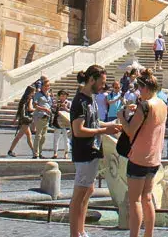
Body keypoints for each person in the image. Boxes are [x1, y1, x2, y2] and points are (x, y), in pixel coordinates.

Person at [70, 65, 121, 237]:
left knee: (88, 191)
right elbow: (78, 130)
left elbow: (95, 123)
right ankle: (74, 234)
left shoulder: (91, 99)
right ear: (91, 80)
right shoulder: (80, 102)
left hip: (93, 151)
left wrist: (113, 125)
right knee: (79, 196)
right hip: (84, 152)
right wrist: (103, 131)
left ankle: (81, 230)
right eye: (101, 82)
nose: (103, 87)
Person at [7, 86, 36, 157]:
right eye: (33, 92)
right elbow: (30, 108)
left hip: (23, 119)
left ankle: (34, 152)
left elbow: (19, 111)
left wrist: (15, 118)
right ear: (31, 92)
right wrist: (37, 109)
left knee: (28, 136)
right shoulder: (29, 99)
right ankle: (10, 151)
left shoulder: (23, 99)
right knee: (19, 136)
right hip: (26, 120)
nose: (34, 93)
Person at [31, 78, 54, 158]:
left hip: (47, 117)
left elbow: (50, 105)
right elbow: (35, 105)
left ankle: (40, 152)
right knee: (38, 135)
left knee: (43, 136)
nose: (47, 87)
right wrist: (44, 109)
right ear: (42, 86)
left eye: (48, 86)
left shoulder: (49, 95)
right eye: (45, 86)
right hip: (40, 115)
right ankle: (35, 153)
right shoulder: (38, 94)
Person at [52, 89, 72, 158]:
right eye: (61, 95)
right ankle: (55, 152)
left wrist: (65, 108)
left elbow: (71, 111)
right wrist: (57, 107)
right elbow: (53, 111)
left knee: (66, 138)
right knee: (56, 137)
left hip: (66, 121)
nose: (63, 97)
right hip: (58, 121)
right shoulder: (56, 102)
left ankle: (66, 153)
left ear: (66, 96)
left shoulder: (68, 103)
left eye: (64, 95)